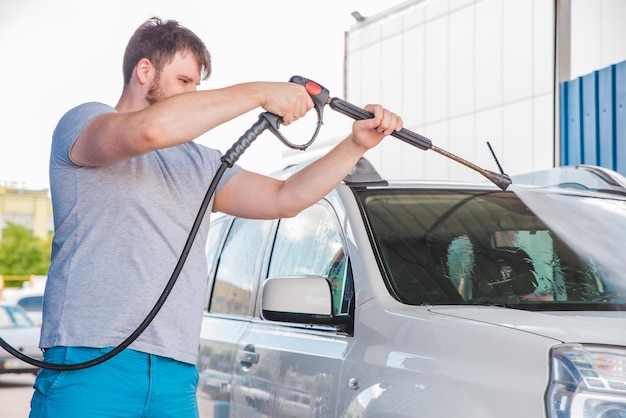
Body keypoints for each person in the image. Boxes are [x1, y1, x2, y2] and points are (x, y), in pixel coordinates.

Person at [30, 16, 402, 418]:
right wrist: (260, 92)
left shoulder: (199, 162)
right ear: (144, 71)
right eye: (185, 82)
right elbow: (150, 131)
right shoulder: (84, 122)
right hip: (92, 364)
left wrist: (355, 145)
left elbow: (284, 198)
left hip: (175, 373)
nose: (193, 94)